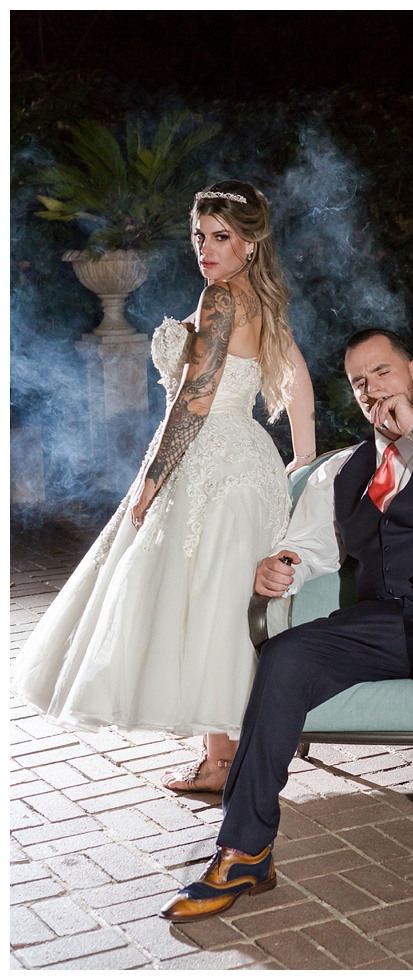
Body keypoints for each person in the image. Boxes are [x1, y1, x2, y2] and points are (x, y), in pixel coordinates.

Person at [159, 327, 413, 922]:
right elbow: (310, 547)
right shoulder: (343, 470)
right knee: (284, 657)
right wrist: (283, 566)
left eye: (383, 372)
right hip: (378, 620)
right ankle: (245, 850)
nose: (373, 389)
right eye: (359, 383)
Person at [11, 179, 316, 793]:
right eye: (199, 236)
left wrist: (153, 478)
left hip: (208, 461)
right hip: (248, 461)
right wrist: (301, 456)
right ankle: (239, 748)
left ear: (250, 242)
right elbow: (297, 381)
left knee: (205, 601)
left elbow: (194, 400)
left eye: (221, 237)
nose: (205, 249)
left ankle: (222, 762)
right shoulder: (261, 298)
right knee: (227, 602)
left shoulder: (220, 297)